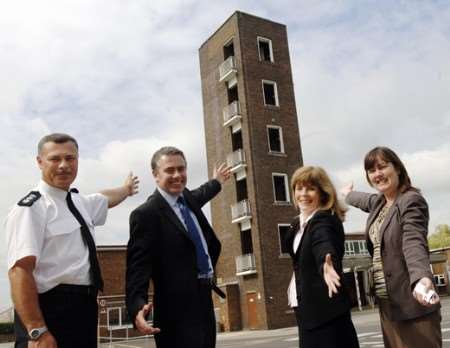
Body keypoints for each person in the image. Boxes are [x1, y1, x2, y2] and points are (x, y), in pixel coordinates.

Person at [6, 133, 139, 348]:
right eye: (55, 159)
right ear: (39, 162)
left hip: (83, 308)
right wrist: (37, 331)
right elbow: (19, 271)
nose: (63, 165)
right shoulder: (31, 208)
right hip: (48, 311)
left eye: (70, 158)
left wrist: (126, 189)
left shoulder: (79, 202)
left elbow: (105, 198)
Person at [125, 146, 231, 348]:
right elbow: (137, 268)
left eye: (181, 169)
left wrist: (217, 181)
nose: (177, 175)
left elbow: (203, 192)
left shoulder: (188, 199)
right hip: (174, 309)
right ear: (155, 175)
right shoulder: (146, 215)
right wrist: (137, 305)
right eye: (170, 170)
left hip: (203, 299)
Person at [342, 146, 441, 348]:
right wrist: (348, 195)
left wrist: (421, 277)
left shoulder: (411, 201)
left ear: (397, 168)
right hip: (389, 306)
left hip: (412, 304)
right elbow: (364, 200)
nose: (377, 174)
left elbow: (413, 241)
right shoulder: (380, 203)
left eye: (382, 167)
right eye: (371, 171)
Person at [285, 165, 359, 348]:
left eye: (311, 188)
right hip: (307, 313)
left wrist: (327, 263)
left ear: (323, 194)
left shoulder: (323, 220)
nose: (304, 194)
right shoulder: (297, 224)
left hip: (326, 316)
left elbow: (323, 242)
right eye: (299, 188)